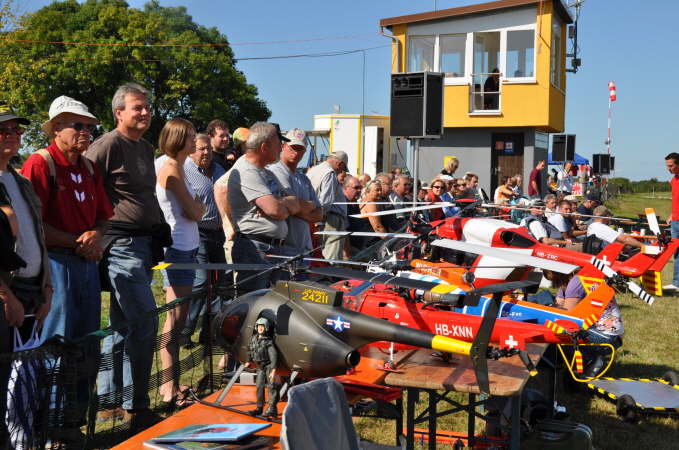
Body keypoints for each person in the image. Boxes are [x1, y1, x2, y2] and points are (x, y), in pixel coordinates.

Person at [21, 96, 113, 426]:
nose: (86, 131)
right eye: (78, 125)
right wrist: (80, 241)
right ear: (57, 128)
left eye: (90, 126)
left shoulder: (88, 167)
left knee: (87, 341)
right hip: (56, 265)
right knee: (57, 341)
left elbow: (105, 216)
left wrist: (96, 235)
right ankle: (50, 420)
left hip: (86, 264)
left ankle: (75, 419)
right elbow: (32, 224)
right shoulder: (40, 163)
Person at [87, 83, 164, 426]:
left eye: (147, 106)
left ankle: (110, 401)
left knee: (122, 327)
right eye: (137, 107)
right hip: (119, 246)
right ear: (118, 112)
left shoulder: (146, 148)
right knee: (146, 322)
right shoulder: (106, 145)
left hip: (143, 246)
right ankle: (138, 404)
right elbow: (86, 188)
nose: (145, 112)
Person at [0, 103, 52, 445]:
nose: (14, 136)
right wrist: (5, 295)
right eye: (5, 131)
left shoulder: (20, 181)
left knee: (25, 388)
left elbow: (39, 236)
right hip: (8, 294)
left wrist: (47, 289)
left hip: (33, 291)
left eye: (17, 131)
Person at [156, 119, 205, 407]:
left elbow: (196, 209)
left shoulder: (179, 167)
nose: (194, 141)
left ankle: (171, 385)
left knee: (179, 319)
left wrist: (196, 206)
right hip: (176, 249)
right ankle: (167, 389)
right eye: (190, 137)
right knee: (173, 321)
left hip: (185, 247)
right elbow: (196, 211)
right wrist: (196, 205)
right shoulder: (172, 169)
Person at [228, 122, 308, 293]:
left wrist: (283, 202)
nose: (281, 148)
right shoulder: (247, 170)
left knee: (273, 305)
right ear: (264, 147)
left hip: (273, 249)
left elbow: (287, 205)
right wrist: (283, 204)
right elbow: (277, 211)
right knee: (252, 304)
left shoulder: (266, 172)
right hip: (256, 249)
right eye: (278, 144)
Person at [179, 133, 227, 348]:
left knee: (218, 286)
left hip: (219, 233)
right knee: (199, 284)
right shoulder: (185, 170)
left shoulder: (219, 170)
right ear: (191, 150)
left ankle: (209, 333)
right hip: (198, 233)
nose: (206, 152)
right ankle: (185, 331)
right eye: (201, 148)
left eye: (208, 148)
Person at [268, 128, 322, 254]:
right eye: (293, 147)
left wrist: (294, 208)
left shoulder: (304, 179)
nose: (296, 152)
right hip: (283, 247)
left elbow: (319, 213)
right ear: (283, 146)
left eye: (300, 148)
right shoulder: (274, 172)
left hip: (304, 248)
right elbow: (286, 206)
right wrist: (309, 206)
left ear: (305, 150)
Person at [307, 151, 348, 260]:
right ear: (339, 164)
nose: (342, 171)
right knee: (331, 257)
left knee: (319, 255)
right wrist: (318, 217)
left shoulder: (313, 170)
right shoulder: (329, 173)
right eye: (343, 168)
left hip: (315, 218)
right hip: (329, 220)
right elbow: (326, 202)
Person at [246, 317, 280, 419]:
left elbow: (273, 355)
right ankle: (259, 407)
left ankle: (272, 409)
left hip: (269, 365)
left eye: (262, 327)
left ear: (266, 328)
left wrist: (273, 370)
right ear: (256, 327)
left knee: (272, 386)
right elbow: (249, 349)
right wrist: (248, 360)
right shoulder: (253, 339)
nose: (260, 328)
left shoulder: (268, 341)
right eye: (259, 326)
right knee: (259, 386)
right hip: (260, 367)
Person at [664, 152, 679, 290]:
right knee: (677, 252)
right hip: (675, 222)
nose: (668, 169)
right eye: (667, 166)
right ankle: (676, 283)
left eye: (671, 166)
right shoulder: (673, 181)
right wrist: (671, 215)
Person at [358, 180, 385, 247]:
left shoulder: (363, 201)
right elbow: (377, 227)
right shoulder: (371, 204)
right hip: (371, 243)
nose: (380, 192)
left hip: (364, 241)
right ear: (368, 191)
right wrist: (389, 241)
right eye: (377, 190)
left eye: (381, 190)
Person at [343, 176, 364, 254]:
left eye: (360, 187)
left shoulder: (355, 203)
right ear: (345, 188)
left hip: (359, 247)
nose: (359, 190)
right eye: (356, 187)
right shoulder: (343, 205)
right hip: (350, 250)